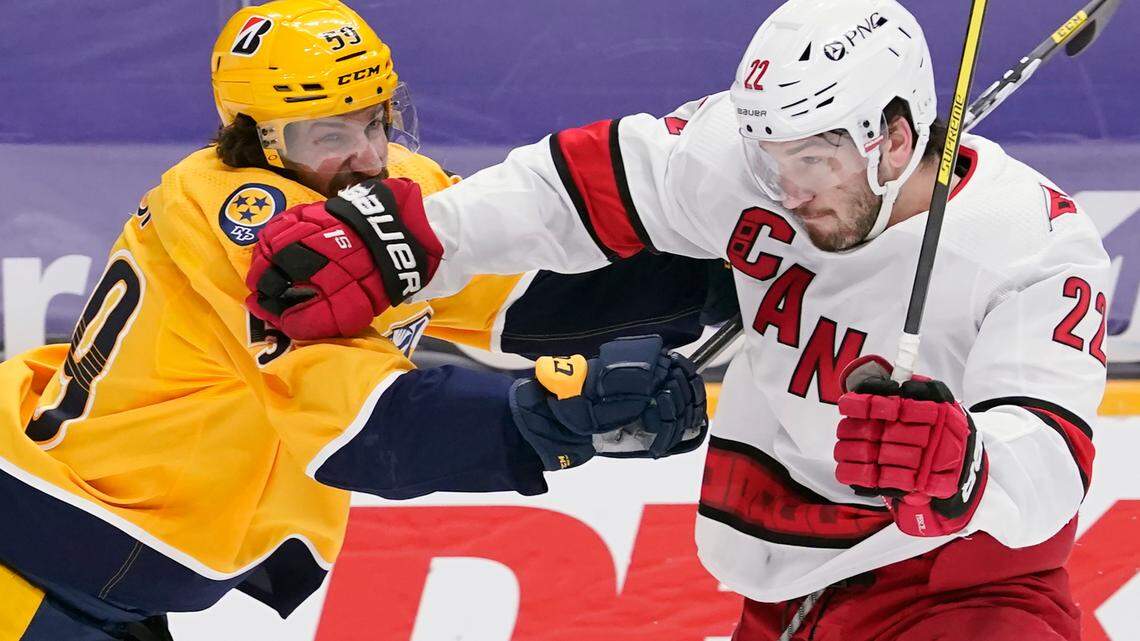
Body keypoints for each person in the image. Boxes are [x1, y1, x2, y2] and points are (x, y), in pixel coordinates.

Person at [249, 0, 1112, 639]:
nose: (788, 192)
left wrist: (968, 463)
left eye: (812, 160)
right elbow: (572, 189)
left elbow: (1056, 455)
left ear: (893, 137)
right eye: (771, 160)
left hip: (959, 592)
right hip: (784, 588)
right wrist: (416, 237)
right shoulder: (752, 159)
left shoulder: (1032, 243)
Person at [0, 1, 710, 639]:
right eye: (329, 133)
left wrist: (731, 277)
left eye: (376, 119)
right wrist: (561, 412)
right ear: (258, 140)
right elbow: (364, 424)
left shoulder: (380, 192)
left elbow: (527, 298)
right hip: (35, 557)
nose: (368, 157)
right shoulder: (247, 227)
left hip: (95, 574)